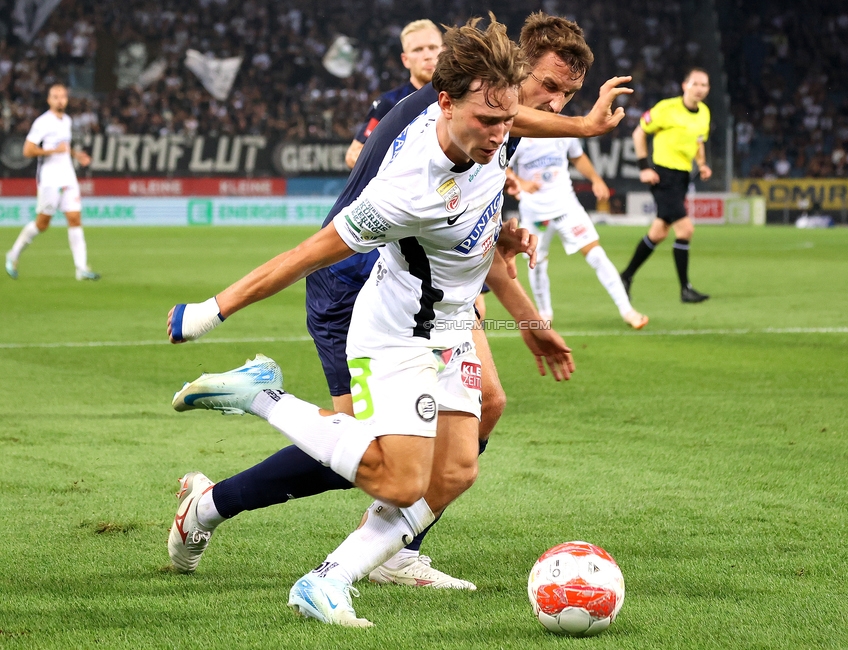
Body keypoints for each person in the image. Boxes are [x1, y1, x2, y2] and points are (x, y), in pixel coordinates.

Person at [167, 16, 624, 627]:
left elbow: (495, 157)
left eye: (514, 116)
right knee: (388, 471)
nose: (508, 129)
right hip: (381, 312)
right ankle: (254, 417)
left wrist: (502, 234)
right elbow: (309, 254)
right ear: (448, 99)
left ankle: (347, 570)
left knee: (460, 459)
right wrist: (209, 311)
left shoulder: (496, 125)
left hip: (446, 312)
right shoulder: (410, 180)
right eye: (494, 118)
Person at [510, 136, 648, 328]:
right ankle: (544, 314)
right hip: (536, 213)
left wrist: (596, 179)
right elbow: (500, 165)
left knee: (597, 255)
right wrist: (519, 181)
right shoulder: (520, 134)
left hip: (567, 208)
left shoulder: (563, 127)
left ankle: (628, 311)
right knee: (537, 262)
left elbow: (577, 156)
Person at [619, 68, 712, 303]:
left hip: (682, 177)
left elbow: (699, 141)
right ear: (685, 85)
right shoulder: (666, 109)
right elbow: (639, 133)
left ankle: (626, 276)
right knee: (685, 230)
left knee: (659, 233)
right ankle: (685, 289)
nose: (700, 89)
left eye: (705, 85)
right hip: (663, 176)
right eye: (696, 84)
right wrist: (644, 167)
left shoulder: (704, 113)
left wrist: (702, 164)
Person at [5, 83, 98, 281]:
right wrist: (52, 151)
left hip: (68, 176)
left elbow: (64, 145)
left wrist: (76, 154)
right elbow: (27, 150)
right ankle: (13, 254)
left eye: (63, 96)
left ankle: (81, 268)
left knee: (75, 219)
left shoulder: (67, 120)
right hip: (49, 178)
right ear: (49, 100)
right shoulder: (42, 122)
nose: (60, 100)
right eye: (56, 96)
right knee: (43, 223)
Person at [344, 20, 443, 169]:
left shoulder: (459, 99)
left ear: (443, 52)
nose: (427, 55)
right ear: (405, 59)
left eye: (433, 48)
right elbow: (353, 155)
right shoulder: (389, 103)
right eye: (418, 50)